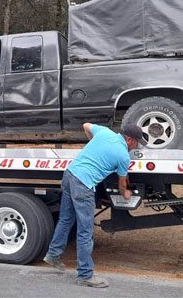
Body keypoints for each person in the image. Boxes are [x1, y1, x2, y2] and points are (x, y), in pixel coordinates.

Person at [43, 123, 146, 288]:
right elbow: (122, 185)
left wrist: (93, 144)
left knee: (66, 219)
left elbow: (85, 125)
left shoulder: (105, 133)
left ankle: (53, 254)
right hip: (83, 185)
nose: (137, 146)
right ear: (128, 139)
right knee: (85, 231)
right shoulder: (123, 156)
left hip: (69, 176)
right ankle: (85, 275)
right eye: (136, 142)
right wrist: (127, 194)